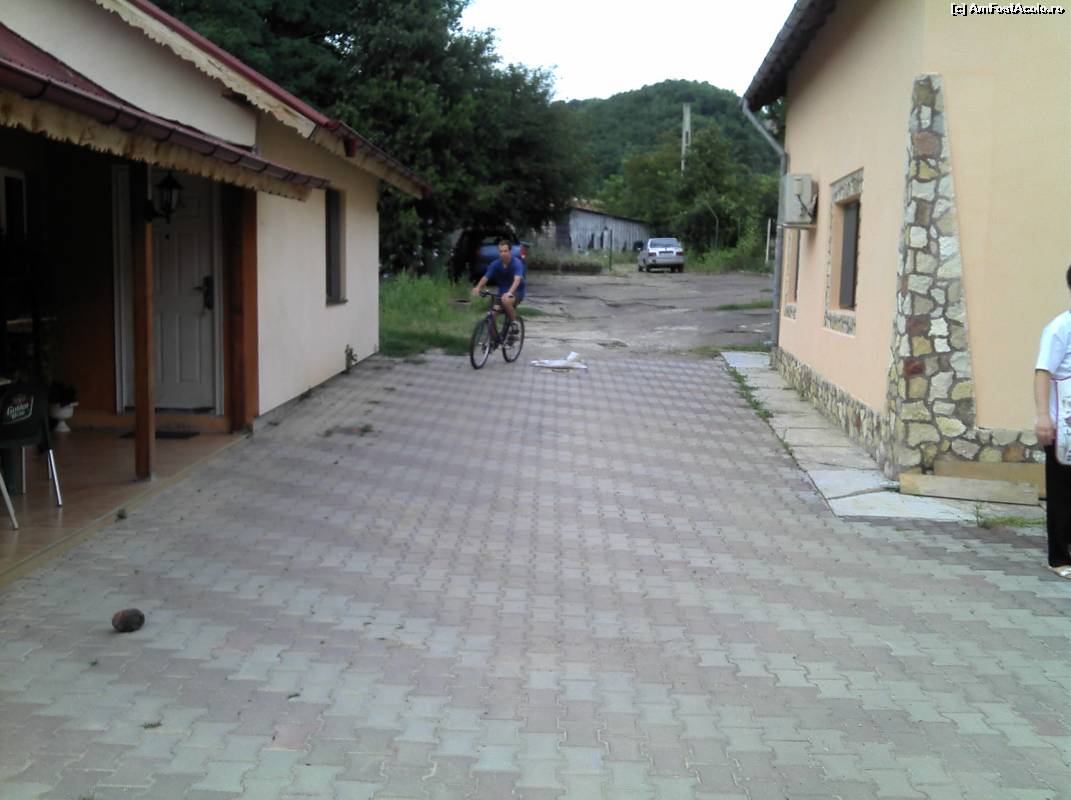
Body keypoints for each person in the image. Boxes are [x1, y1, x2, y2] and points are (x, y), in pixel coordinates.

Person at [1034, 263, 1071, 579]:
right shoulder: (1060, 327)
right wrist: (1043, 417)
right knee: (1062, 492)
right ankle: (1059, 558)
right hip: (1063, 425)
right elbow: (1042, 372)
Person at [471, 240, 525, 337]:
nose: (503, 254)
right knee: (491, 315)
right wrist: (478, 287)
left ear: (510, 251)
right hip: (501, 293)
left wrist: (509, 293)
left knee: (506, 300)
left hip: (517, 292)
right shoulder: (495, 264)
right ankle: (494, 340)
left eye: (505, 251)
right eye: (501, 251)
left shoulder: (516, 263)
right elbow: (486, 277)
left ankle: (514, 323)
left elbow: (517, 280)